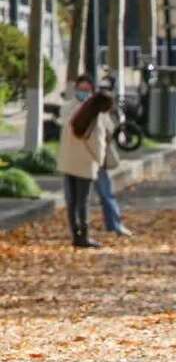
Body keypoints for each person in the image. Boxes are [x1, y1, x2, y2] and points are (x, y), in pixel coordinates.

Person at [57, 75, 113, 248]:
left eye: (87, 90)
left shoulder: (69, 111)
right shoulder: (94, 116)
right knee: (83, 201)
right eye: (82, 90)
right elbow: (99, 141)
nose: (84, 93)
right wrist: (100, 160)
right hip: (86, 164)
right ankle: (84, 236)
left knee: (72, 201)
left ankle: (76, 235)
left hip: (68, 162)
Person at [96, 75, 132, 237]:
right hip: (84, 161)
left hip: (98, 160)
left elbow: (111, 133)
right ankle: (79, 229)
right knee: (78, 198)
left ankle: (114, 224)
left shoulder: (105, 114)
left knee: (106, 193)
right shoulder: (81, 111)